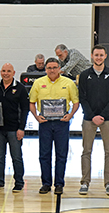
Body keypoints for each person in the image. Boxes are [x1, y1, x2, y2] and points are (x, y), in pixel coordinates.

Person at [29, 58, 79, 195]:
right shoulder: (38, 83)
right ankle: (45, 183)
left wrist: (70, 115)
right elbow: (32, 102)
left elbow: (76, 102)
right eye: (49, 68)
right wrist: (36, 116)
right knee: (44, 155)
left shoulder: (68, 83)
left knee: (61, 155)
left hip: (62, 123)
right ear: (45, 69)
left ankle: (59, 183)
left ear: (59, 68)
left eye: (54, 67)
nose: (52, 70)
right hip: (44, 123)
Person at [78, 45, 109, 196]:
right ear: (92, 56)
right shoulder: (84, 75)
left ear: (105, 56)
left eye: (101, 55)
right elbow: (82, 97)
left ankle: (108, 183)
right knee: (86, 151)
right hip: (89, 118)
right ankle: (85, 182)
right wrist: (92, 115)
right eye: (96, 55)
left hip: (107, 119)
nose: (99, 58)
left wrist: (103, 114)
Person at [0, 63, 29, 192]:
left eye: (8, 71)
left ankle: (19, 182)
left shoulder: (20, 88)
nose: (5, 73)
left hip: (14, 129)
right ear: (0, 72)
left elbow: (25, 110)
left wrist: (21, 128)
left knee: (16, 157)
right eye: (3, 71)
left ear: (14, 73)